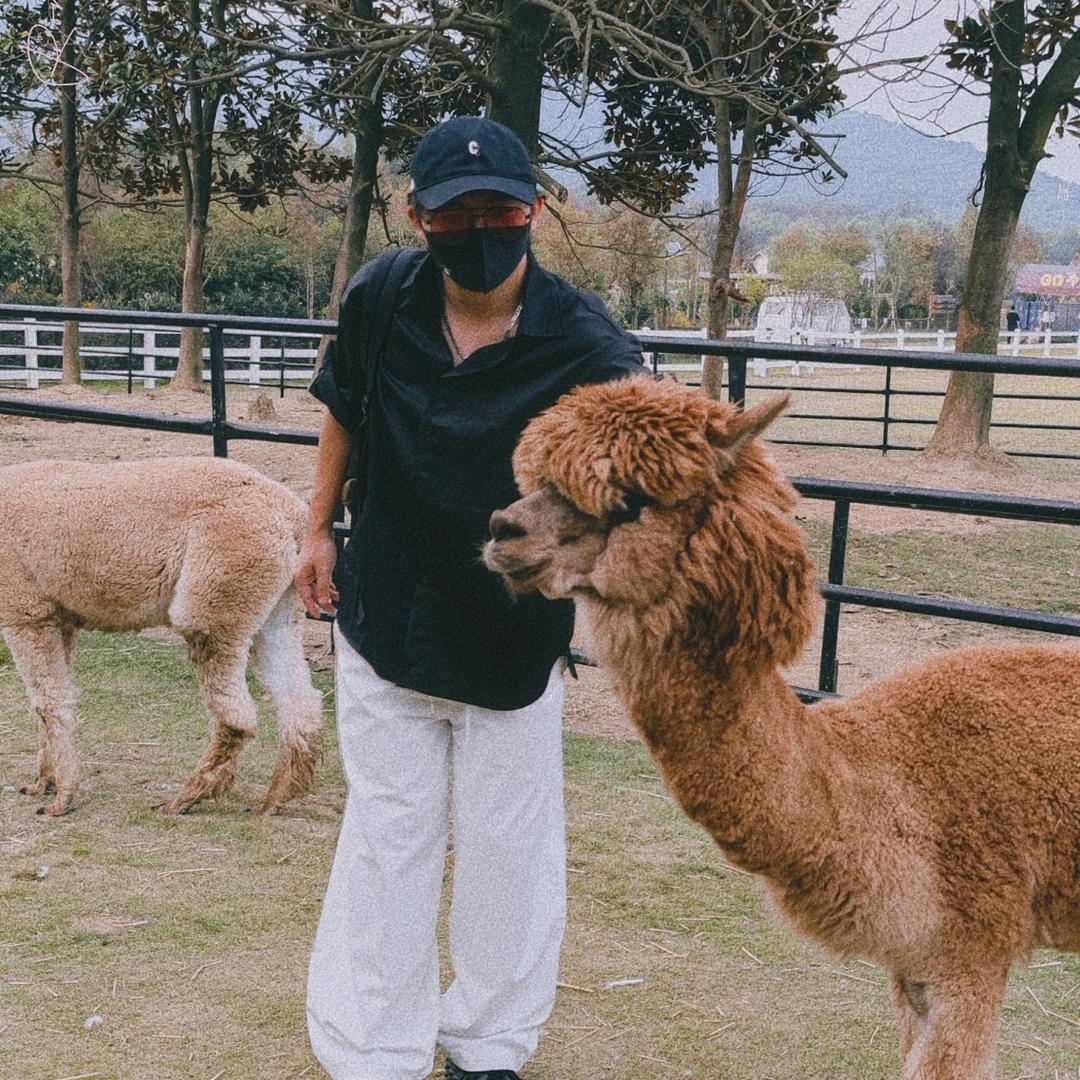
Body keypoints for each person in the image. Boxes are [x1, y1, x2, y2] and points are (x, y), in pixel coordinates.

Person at [298, 116, 644, 1080]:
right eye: (457, 214)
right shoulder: (382, 295)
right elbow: (342, 407)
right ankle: (375, 1048)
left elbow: (643, 474)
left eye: (501, 210)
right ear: (418, 216)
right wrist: (315, 528)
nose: (481, 229)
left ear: (534, 210)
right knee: (388, 834)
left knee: (508, 848)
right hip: (388, 603)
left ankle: (489, 1043)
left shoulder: (587, 342)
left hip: (510, 629)